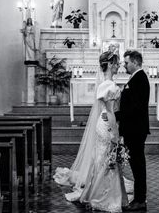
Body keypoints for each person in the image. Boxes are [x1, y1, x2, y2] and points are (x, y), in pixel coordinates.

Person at [53, 50, 130, 212]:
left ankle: (106, 194)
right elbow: (109, 111)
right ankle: (102, 197)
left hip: (106, 122)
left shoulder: (108, 83)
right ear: (109, 64)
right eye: (116, 63)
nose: (118, 66)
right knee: (105, 161)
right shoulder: (107, 85)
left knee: (105, 160)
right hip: (107, 124)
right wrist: (115, 133)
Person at [116, 50, 150, 211]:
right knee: (136, 165)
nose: (124, 65)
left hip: (135, 130)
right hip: (133, 128)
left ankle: (140, 199)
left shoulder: (140, 79)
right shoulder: (136, 77)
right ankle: (139, 198)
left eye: (126, 62)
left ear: (135, 62)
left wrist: (117, 115)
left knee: (138, 166)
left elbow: (136, 107)